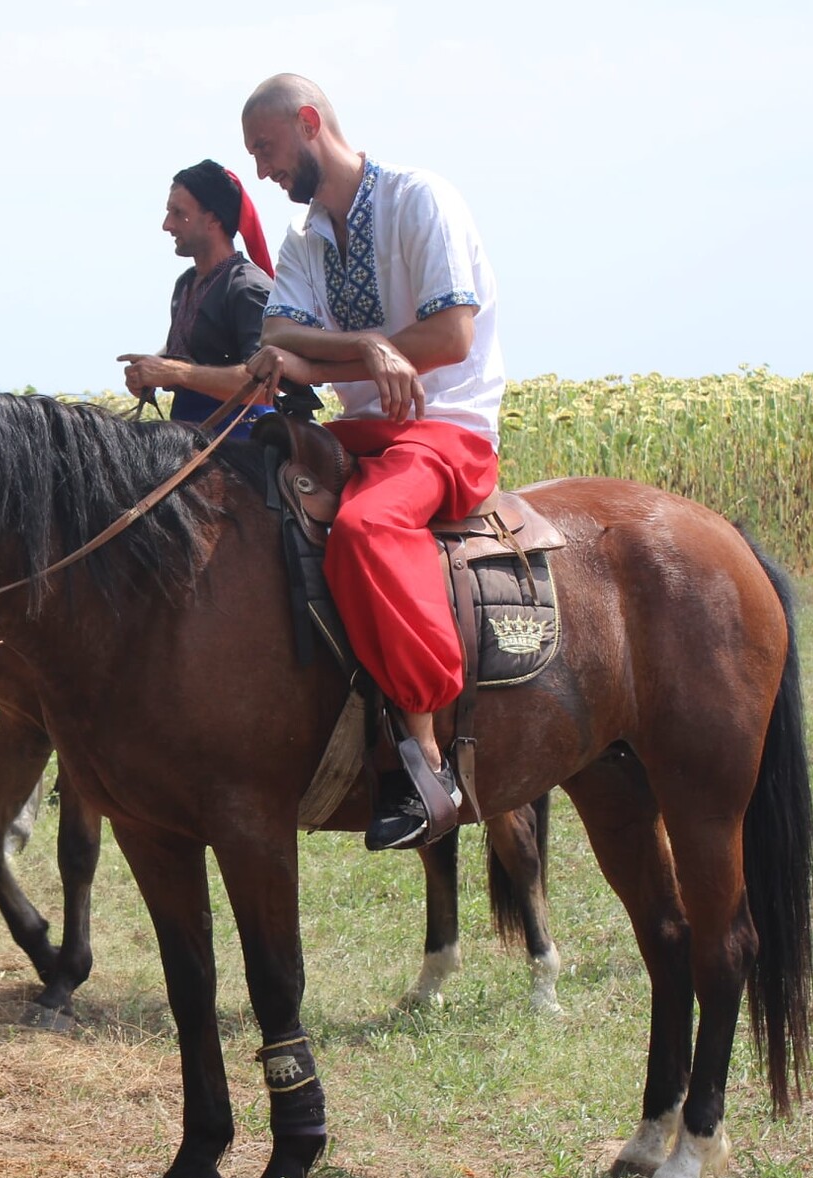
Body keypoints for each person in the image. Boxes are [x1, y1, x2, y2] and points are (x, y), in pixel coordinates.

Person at [240, 73, 504, 851]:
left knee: (364, 527)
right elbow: (273, 342)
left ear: (309, 122)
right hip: (362, 433)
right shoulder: (305, 237)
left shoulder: (420, 200)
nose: (262, 170)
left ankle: (425, 752)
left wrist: (326, 357)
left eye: (266, 148)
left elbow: (452, 336)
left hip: (445, 427)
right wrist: (365, 348)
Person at [118, 160, 316, 437]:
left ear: (213, 219)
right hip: (191, 438)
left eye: (179, 213)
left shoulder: (247, 288)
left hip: (243, 443)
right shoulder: (186, 283)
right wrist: (152, 367)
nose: (167, 225)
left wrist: (175, 372)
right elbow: (196, 348)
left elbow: (263, 386)